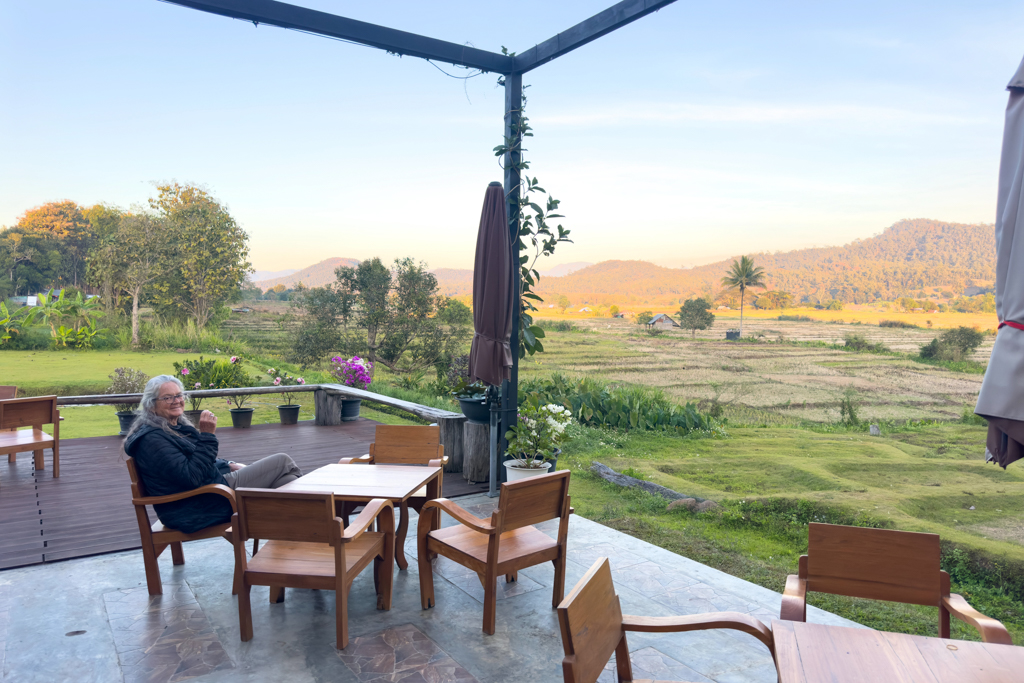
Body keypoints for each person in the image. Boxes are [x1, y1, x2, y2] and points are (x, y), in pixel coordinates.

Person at [124, 374, 302, 534]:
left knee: (286, 482)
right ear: (151, 405)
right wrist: (207, 435)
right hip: (200, 504)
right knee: (283, 462)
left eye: (178, 395)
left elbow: (195, 460)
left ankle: (291, 536)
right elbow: (191, 476)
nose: (176, 401)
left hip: (208, 492)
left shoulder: (169, 428)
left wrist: (228, 464)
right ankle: (300, 530)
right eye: (167, 398)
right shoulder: (153, 440)